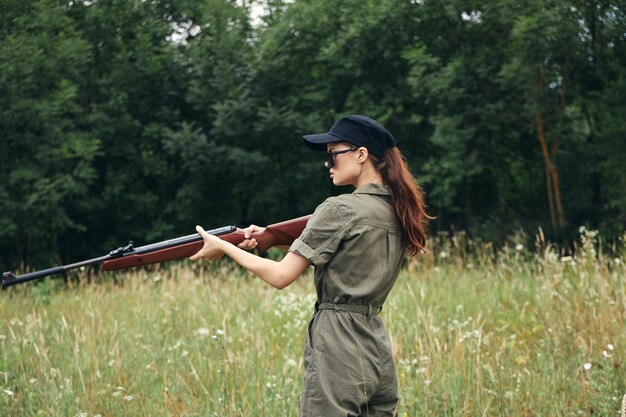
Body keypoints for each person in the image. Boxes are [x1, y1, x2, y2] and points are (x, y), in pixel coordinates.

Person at [189, 115, 430, 417]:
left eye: (333, 155)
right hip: (377, 347)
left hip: (338, 344)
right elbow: (342, 252)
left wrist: (222, 246)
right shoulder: (395, 212)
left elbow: (280, 276)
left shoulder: (338, 209)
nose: (327, 164)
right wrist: (270, 239)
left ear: (361, 154)